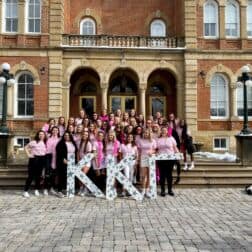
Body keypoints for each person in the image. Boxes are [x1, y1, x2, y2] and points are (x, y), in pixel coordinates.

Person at [23, 130, 47, 197]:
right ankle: (25, 191)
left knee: (38, 176)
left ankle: (36, 189)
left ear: (44, 135)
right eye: (40, 134)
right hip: (34, 159)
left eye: (42, 134)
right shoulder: (34, 142)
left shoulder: (45, 143)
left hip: (42, 159)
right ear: (38, 135)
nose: (41, 135)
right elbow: (26, 147)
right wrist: (28, 154)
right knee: (30, 176)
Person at [156, 127, 179, 197]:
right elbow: (156, 149)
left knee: (169, 175)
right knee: (162, 175)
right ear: (161, 131)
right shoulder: (158, 139)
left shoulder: (171, 138)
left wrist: (178, 155)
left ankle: (170, 190)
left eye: (165, 130)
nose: (163, 131)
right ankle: (162, 190)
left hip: (170, 159)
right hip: (161, 159)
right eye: (162, 130)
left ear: (167, 131)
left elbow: (175, 148)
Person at [56, 131, 78, 197]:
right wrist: (63, 159)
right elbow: (58, 152)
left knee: (69, 176)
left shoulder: (73, 143)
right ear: (63, 136)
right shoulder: (61, 143)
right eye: (65, 135)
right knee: (61, 175)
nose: (67, 136)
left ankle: (66, 189)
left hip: (72, 161)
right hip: (63, 161)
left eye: (68, 135)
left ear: (70, 136)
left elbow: (76, 151)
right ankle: (59, 191)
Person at [137, 129, 156, 197]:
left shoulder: (153, 141)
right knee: (143, 175)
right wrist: (138, 159)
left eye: (147, 133)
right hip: (143, 157)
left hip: (150, 158)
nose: (146, 134)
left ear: (149, 133)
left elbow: (155, 149)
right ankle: (143, 190)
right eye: (144, 133)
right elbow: (138, 150)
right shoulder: (140, 140)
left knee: (149, 175)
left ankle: (147, 190)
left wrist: (152, 152)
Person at [44, 126, 60, 196]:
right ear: (52, 131)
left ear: (58, 131)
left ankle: (52, 188)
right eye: (54, 130)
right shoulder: (48, 139)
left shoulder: (60, 139)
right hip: (48, 156)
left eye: (56, 130)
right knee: (47, 173)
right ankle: (45, 189)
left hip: (56, 157)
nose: (55, 131)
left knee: (54, 174)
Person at [78, 130, 93, 196]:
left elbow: (88, 155)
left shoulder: (89, 143)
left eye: (86, 135)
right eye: (83, 134)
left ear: (88, 136)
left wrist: (84, 163)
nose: (84, 136)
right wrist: (78, 161)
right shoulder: (80, 143)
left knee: (83, 175)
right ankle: (81, 188)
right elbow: (78, 152)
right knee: (79, 176)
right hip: (80, 161)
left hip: (86, 162)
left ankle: (85, 189)